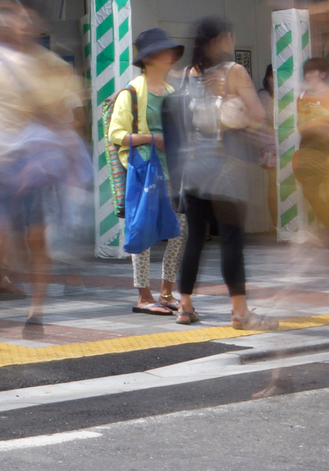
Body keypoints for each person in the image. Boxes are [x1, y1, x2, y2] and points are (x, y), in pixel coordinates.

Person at [171, 17, 275, 330]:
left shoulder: (189, 74)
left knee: (194, 240)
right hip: (226, 168)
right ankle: (240, 312)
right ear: (223, 39)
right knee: (231, 239)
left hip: (193, 169)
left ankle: (185, 307)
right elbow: (257, 115)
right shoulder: (234, 72)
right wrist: (242, 118)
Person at [108, 27, 186, 316]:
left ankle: (166, 291)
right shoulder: (130, 93)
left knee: (180, 230)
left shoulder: (171, 92)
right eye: (164, 52)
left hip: (170, 171)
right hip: (143, 171)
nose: (169, 58)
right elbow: (117, 134)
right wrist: (153, 139)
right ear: (150, 58)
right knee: (142, 230)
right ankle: (144, 295)